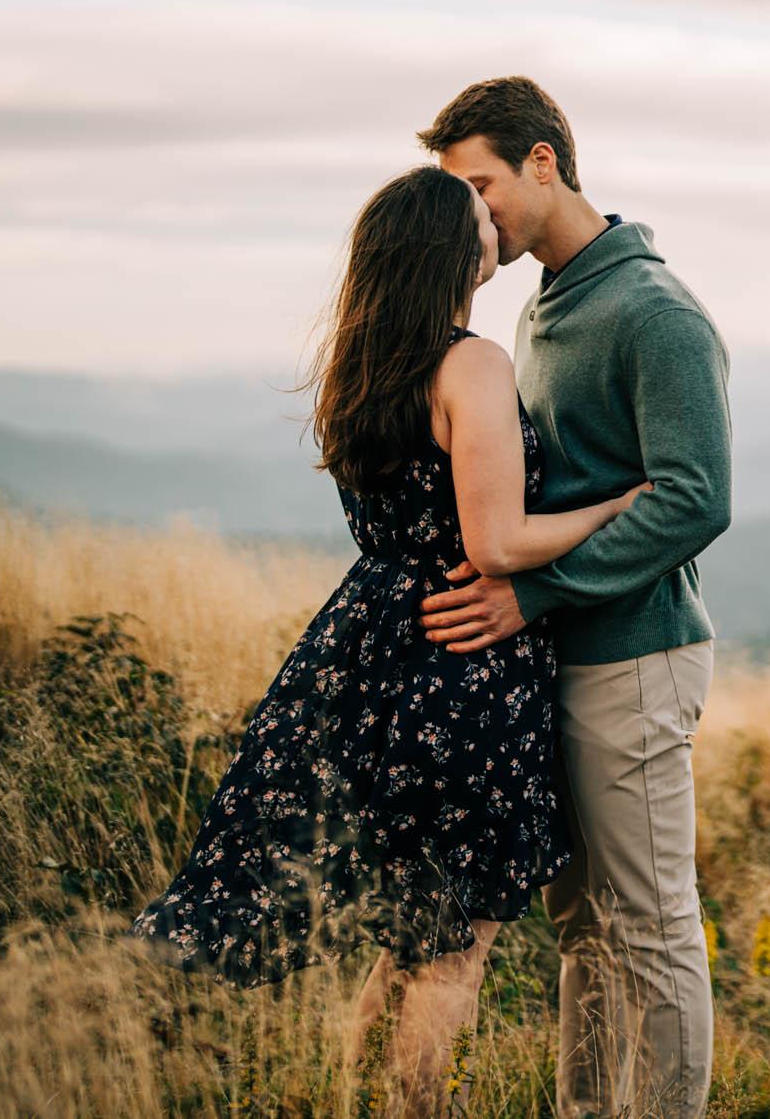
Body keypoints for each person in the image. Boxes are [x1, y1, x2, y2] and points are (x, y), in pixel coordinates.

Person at [119, 164, 650, 1116]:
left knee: (404, 940)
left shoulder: (364, 365)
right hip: (461, 666)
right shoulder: (471, 363)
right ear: (455, 251)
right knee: (452, 950)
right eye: (476, 216)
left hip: (369, 656)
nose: (492, 222)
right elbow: (496, 543)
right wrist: (615, 505)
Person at [413, 76, 733, 1118]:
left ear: (542, 162)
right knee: (581, 928)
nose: (473, 213)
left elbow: (695, 498)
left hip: (633, 654)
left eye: (481, 184)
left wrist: (534, 591)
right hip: (558, 654)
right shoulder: (545, 302)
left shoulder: (653, 310)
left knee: (648, 925)